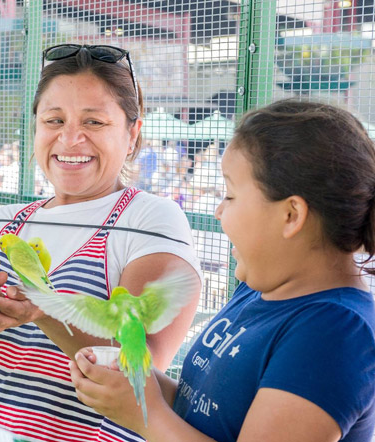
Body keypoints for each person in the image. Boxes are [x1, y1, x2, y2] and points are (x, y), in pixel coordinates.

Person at [0, 44, 203, 442]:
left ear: (132, 134)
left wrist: (44, 310)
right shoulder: (3, 222)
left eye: (94, 122)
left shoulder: (149, 219)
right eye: (54, 119)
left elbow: (138, 364)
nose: (70, 138)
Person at [70, 100, 375, 442]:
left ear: (291, 215)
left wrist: (145, 415)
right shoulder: (260, 287)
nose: (218, 211)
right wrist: (139, 385)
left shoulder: (335, 334)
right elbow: (203, 410)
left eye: (229, 195)